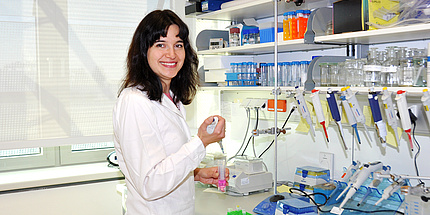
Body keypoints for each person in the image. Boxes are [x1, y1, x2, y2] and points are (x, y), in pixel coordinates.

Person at [113, 9, 228, 215]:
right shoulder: (135, 102)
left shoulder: (169, 97)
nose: (172, 54)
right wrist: (200, 142)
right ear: (143, 51)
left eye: (178, 45)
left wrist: (196, 174)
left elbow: (165, 163)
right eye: (160, 45)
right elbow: (150, 183)